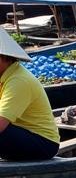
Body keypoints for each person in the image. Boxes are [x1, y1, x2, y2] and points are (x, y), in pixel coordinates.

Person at [0, 30, 60, 161]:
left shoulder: (18, 80)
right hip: (21, 132)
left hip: (43, 143)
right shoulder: (5, 76)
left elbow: (1, 125)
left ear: (4, 57)